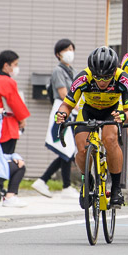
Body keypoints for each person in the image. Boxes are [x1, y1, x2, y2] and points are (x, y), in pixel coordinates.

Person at [53, 47, 128, 208]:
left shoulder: (123, 78)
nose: (102, 81)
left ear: (114, 71)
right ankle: (87, 180)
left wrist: (124, 116)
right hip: (88, 111)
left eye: (106, 77)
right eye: (97, 77)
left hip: (111, 112)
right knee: (82, 148)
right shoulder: (83, 77)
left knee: (110, 139)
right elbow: (66, 105)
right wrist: (61, 114)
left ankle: (116, 188)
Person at [34, 39, 77, 198]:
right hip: (64, 110)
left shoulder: (70, 70)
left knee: (67, 149)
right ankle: (57, 184)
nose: (70, 52)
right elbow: (63, 93)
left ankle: (48, 182)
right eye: (66, 49)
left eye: (72, 49)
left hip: (68, 110)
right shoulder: (58, 71)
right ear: (58, 54)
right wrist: (78, 108)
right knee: (67, 148)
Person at [0, 50, 30, 176]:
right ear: (6, 65)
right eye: (15, 64)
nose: (17, 68)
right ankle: (0, 186)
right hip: (6, 125)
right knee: (5, 157)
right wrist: (22, 119)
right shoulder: (7, 81)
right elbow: (14, 103)